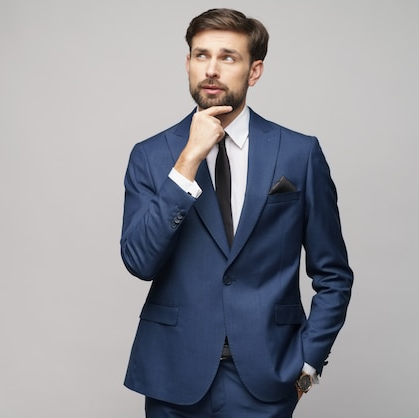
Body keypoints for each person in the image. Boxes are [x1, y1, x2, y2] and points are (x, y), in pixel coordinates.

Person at [120, 8, 353, 417]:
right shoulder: (151, 156)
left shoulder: (299, 154)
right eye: (200, 55)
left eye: (228, 57)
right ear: (187, 63)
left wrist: (308, 363)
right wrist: (189, 159)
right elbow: (139, 261)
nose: (211, 69)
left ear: (254, 70)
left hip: (267, 376)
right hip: (173, 375)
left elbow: (333, 275)